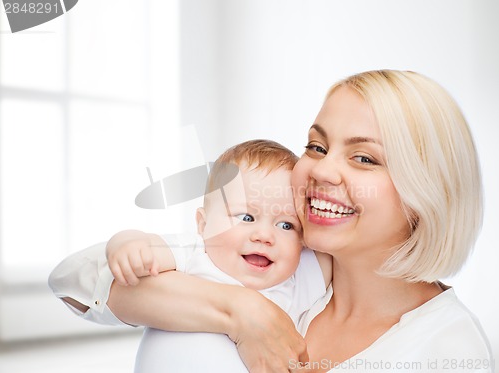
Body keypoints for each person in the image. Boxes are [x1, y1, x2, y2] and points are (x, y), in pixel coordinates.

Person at [49, 70, 494, 373]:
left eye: (364, 158)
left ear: (428, 191)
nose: (320, 170)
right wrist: (242, 311)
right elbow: (79, 282)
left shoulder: (450, 351)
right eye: (316, 147)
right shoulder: (287, 265)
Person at [49, 139, 332, 372]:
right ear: (203, 224)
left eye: (286, 225)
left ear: (303, 242)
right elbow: (135, 250)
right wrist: (126, 243)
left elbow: (341, 255)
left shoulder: (293, 282)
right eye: (246, 217)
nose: (265, 235)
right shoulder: (195, 254)